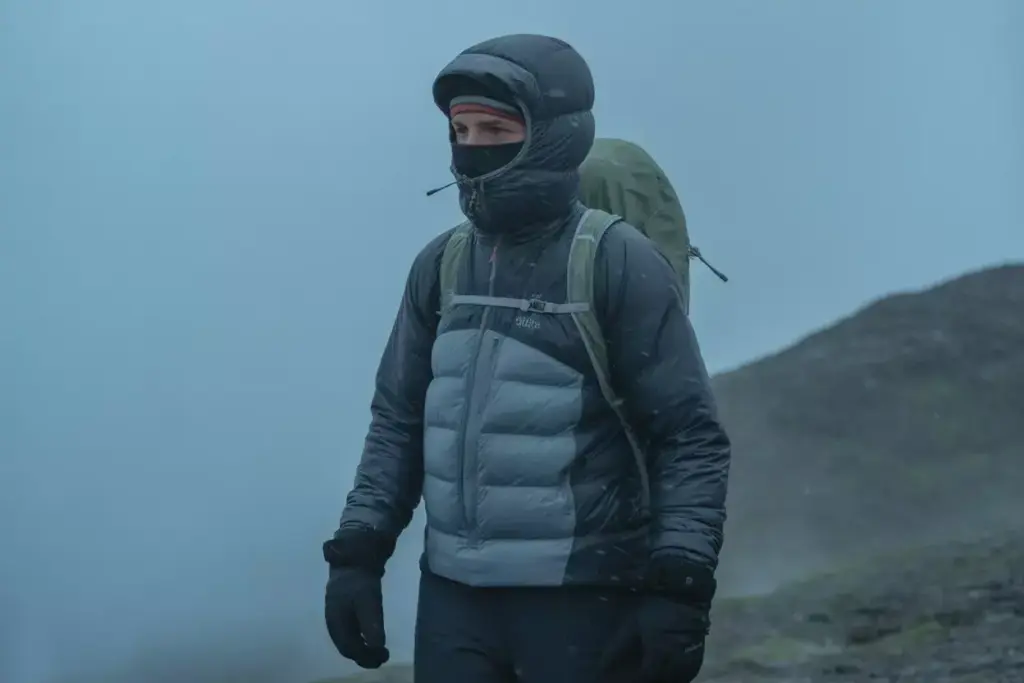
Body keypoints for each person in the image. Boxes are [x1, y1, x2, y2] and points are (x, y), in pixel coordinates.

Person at [322, 33, 731, 683]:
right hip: (453, 598)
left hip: (586, 597)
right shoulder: (441, 264)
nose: (473, 145)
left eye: (496, 126)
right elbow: (399, 418)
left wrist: (681, 580)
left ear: (552, 134)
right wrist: (358, 550)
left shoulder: (615, 261)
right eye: (461, 128)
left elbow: (688, 437)